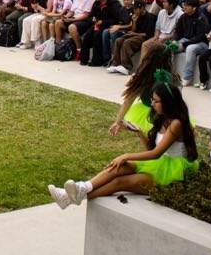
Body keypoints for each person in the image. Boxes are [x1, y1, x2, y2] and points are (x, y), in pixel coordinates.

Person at [49, 79, 198, 209]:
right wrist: (139, 133)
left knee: (121, 182)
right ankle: (82, 188)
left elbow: (156, 153)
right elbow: (152, 149)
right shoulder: (162, 118)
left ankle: (69, 198)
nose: (152, 104)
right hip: (159, 164)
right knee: (118, 167)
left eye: (156, 101)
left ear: (167, 102)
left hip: (172, 174)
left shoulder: (176, 123)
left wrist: (126, 155)